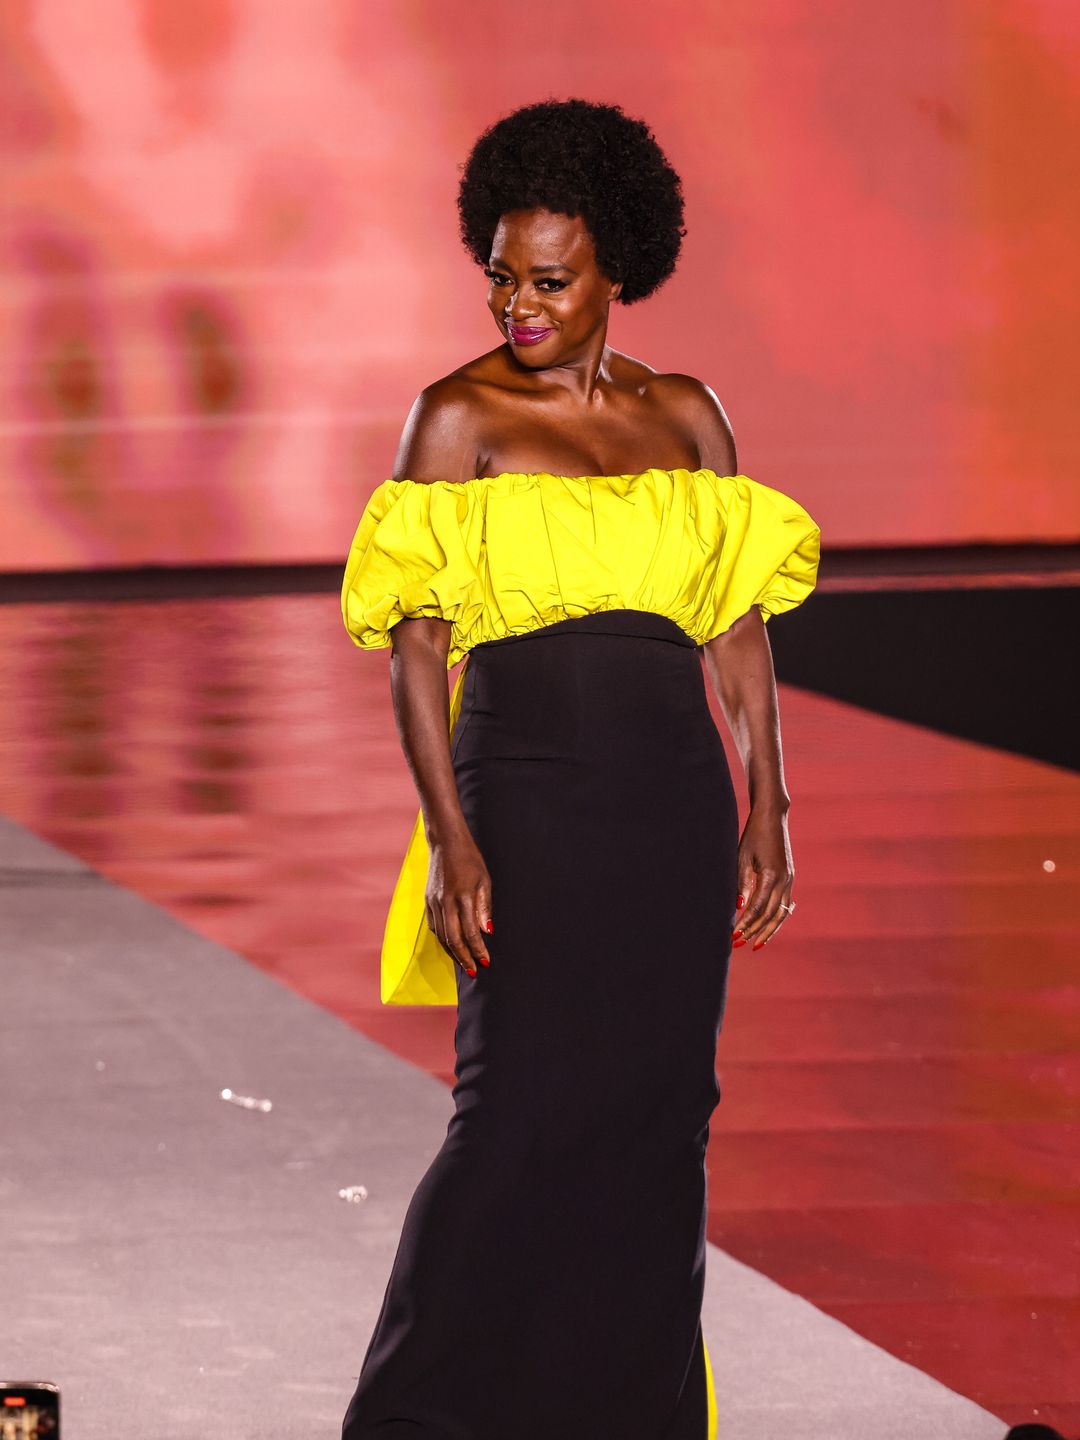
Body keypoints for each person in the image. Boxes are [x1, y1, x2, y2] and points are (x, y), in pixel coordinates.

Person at [339, 98, 820, 1440]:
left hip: (670, 800)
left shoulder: (688, 417)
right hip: (523, 793)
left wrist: (767, 803)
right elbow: (414, 651)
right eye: (501, 274)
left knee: (660, 1119)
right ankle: (419, 1421)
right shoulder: (456, 418)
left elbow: (733, 623)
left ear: (619, 270)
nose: (519, 303)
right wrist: (451, 837)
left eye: (550, 279)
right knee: (511, 1121)